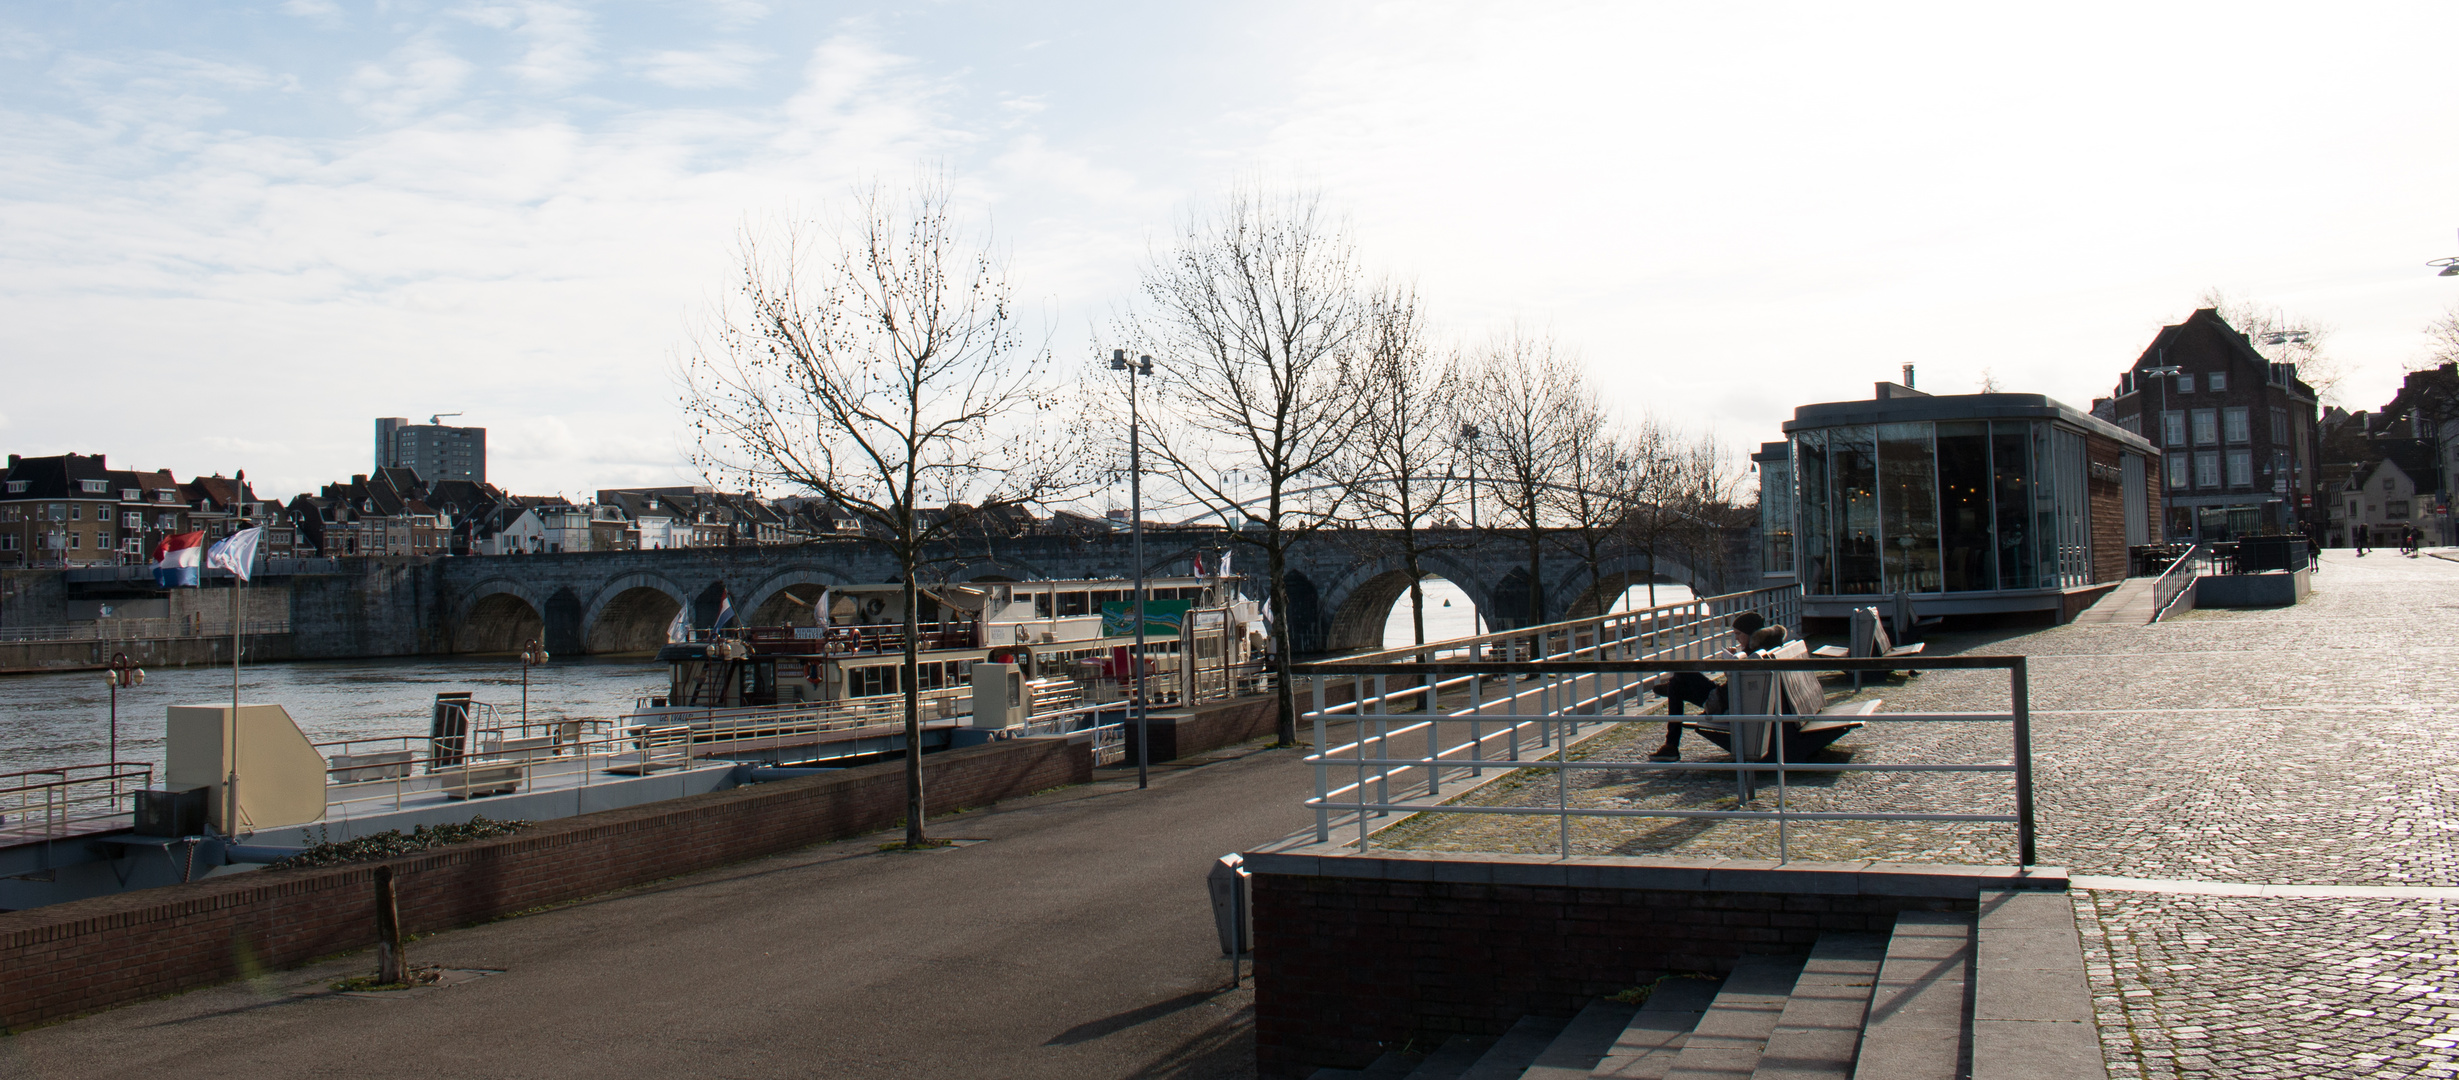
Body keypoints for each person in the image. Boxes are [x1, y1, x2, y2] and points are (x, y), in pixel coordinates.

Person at [1645, 611, 1764, 763]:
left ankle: (1671, 745)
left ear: (1750, 633)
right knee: (1679, 681)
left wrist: (1732, 663)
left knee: (1682, 674)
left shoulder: (1750, 654)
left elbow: (1738, 684)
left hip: (1724, 703)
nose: (1737, 638)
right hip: (1728, 699)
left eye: (1739, 634)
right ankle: (1671, 688)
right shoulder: (1759, 651)